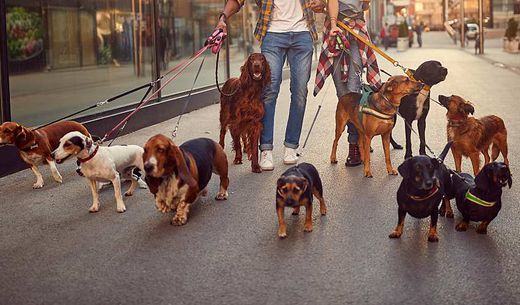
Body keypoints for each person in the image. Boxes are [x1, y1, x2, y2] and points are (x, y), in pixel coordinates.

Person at [212, 0, 325, 171]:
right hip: (273, 34)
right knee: (269, 92)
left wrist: (322, 4)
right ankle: (265, 149)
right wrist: (223, 18)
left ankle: (291, 146)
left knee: (300, 92)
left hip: (302, 33)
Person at [314, 0, 381, 166]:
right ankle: (359, 138)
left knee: (353, 88)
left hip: (356, 30)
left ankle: (354, 145)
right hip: (335, 30)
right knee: (343, 95)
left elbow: (365, 6)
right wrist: (331, 18)